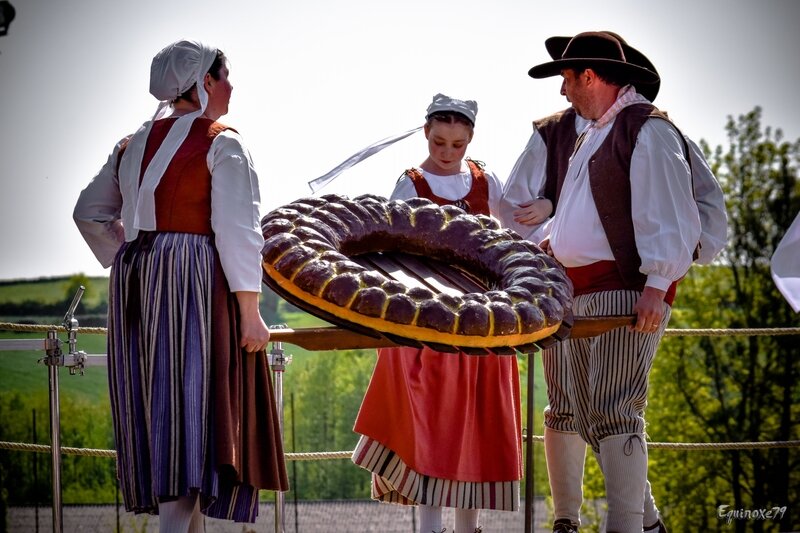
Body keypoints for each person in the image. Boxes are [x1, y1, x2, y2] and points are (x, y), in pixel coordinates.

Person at [499, 33, 727, 533]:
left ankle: (627, 528)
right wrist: (549, 248)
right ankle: (622, 524)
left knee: (615, 409)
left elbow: (669, 211)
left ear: (589, 76)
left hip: (625, 289)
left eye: (566, 79)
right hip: (575, 290)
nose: (562, 92)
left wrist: (657, 283)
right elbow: (582, 217)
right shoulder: (599, 131)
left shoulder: (646, 130)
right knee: (574, 410)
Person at [73, 39, 288, 531]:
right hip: (192, 281)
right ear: (205, 82)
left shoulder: (131, 144)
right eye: (225, 76)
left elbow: (88, 212)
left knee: (155, 403)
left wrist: (131, 249)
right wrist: (250, 311)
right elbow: (238, 231)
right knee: (191, 404)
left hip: (135, 281)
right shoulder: (222, 140)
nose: (231, 87)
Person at [351, 94, 518, 533]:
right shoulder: (410, 183)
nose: (446, 153)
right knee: (428, 424)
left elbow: (515, 236)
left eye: (456, 145)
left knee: (478, 423)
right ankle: (428, 527)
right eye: (439, 142)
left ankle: (469, 527)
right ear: (426, 133)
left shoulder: (487, 181)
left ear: (470, 140)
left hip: (482, 321)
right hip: (425, 319)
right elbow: (387, 245)